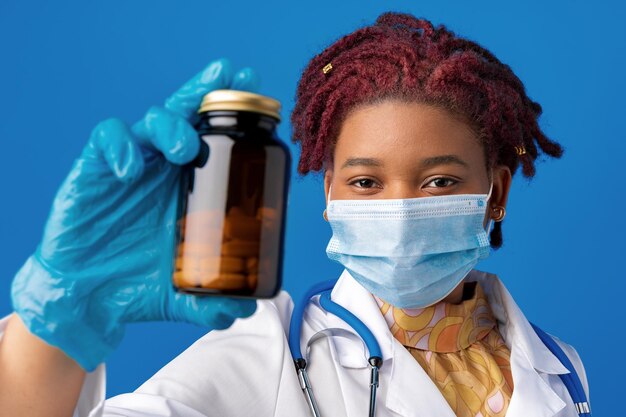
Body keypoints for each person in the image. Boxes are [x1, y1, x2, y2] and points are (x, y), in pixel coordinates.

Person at [0, 11, 590, 417]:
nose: (402, 209)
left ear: (496, 193)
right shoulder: (274, 346)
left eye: (439, 180)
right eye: (365, 182)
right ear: (330, 193)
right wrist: (60, 323)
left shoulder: (560, 369)